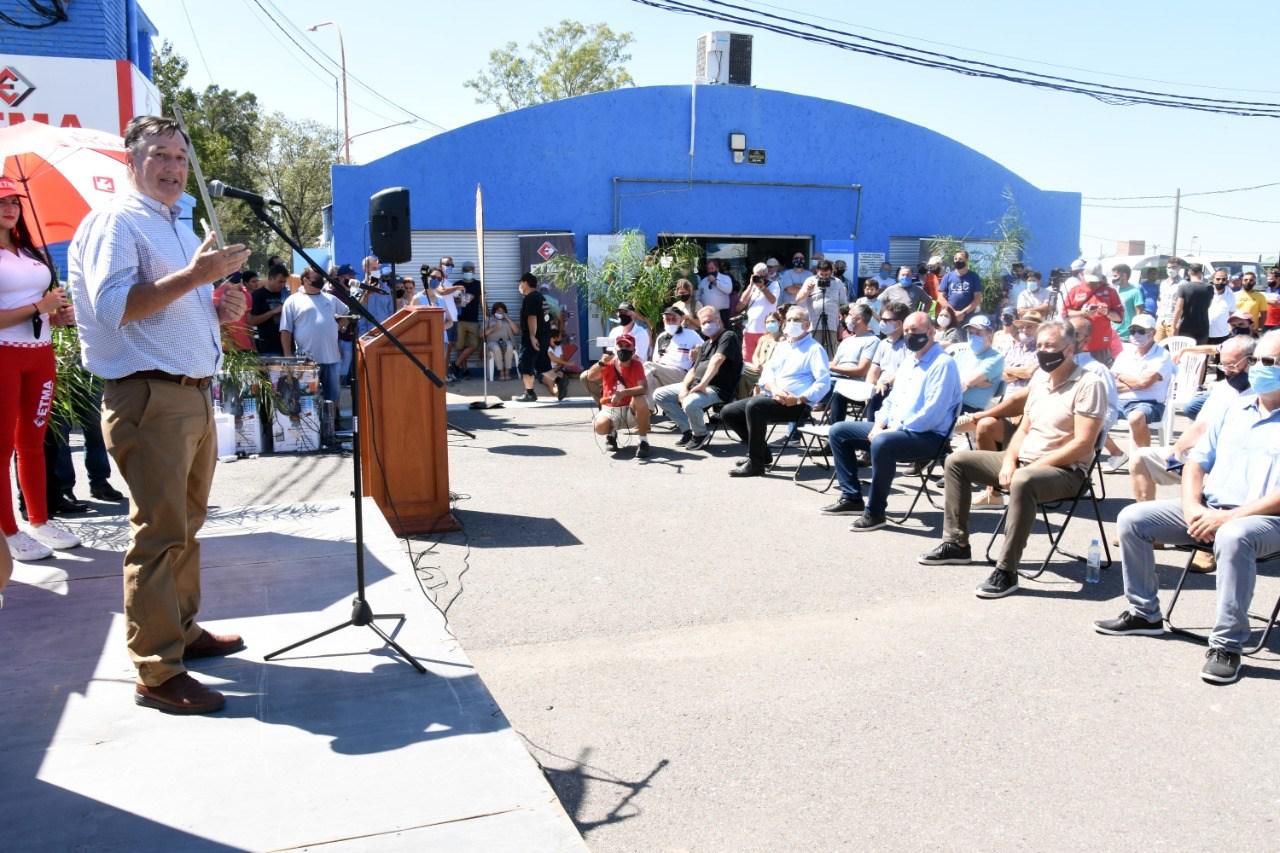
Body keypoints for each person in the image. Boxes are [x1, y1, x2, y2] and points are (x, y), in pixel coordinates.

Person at [67, 115, 251, 714]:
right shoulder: (115, 222)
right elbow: (117, 307)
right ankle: (155, 670)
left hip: (192, 393)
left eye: (178, 155)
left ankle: (182, 631)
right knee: (159, 533)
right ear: (132, 161)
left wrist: (219, 305)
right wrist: (198, 275)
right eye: (159, 156)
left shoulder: (177, 226)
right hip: (148, 396)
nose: (172, 167)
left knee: (186, 526)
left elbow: (180, 303)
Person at [1094, 330, 1280, 685]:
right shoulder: (1234, 409)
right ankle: (1144, 613)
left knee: (1234, 536)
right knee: (1134, 518)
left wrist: (1226, 517)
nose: (1257, 369)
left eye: (1268, 363)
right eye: (1255, 361)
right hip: (1210, 508)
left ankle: (1227, 644)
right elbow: (1196, 463)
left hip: (1265, 521)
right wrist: (1192, 505)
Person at [919, 320, 1107, 599]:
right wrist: (1008, 460)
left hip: (1066, 472)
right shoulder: (1041, 379)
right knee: (957, 462)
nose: (1043, 351)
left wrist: (1033, 466)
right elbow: (1024, 430)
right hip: (1024, 463)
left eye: (1050, 346)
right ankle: (956, 544)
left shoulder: (1089, 383)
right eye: (1040, 346)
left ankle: (1006, 570)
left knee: (1023, 479)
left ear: (1069, 349)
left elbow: (1083, 444)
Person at [0, 176, 82, 562]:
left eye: (14, 201)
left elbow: (46, 306)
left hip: (40, 353)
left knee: (32, 442)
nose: (9, 208)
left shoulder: (29, 252)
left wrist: (58, 314)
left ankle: (39, 519)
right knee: (2, 448)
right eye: (2, 202)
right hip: (4, 355)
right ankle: (8, 530)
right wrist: (39, 308)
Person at [823, 311, 962, 531]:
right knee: (839, 431)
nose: (909, 335)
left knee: (882, 443)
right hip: (897, 430)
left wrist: (890, 430)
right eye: (906, 331)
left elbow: (932, 413)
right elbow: (890, 402)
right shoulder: (909, 362)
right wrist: (879, 424)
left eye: (914, 330)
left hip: (928, 436)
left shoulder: (943, 364)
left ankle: (875, 512)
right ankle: (852, 497)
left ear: (931, 332)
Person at [1129, 334, 1254, 504]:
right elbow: (1200, 425)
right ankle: (1148, 517)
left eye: (1231, 365)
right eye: (1222, 365)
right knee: (1141, 458)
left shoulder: (1266, 393)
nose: (1226, 371)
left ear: (1251, 361)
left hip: (1231, 463)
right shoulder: (1222, 388)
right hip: (1196, 457)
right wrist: (1176, 451)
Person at [720, 305, 831, 477]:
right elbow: (767, 373)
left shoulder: (814, 349)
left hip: (795, 404)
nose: (792, 323)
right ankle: (762, 453)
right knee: (729, 412)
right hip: (773, 396)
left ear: (807, 324)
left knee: (755, 405)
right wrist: (774, 388)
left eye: (797, 320)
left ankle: (755, 463)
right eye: (789, 319)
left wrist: (801, 398)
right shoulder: (783, 346)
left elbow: (824, 382)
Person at [655, 306, 742, 449]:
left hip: (716, 389)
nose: (706, 325)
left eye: (709, 321)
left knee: (690, 402)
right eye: (703, 323)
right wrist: (684, 388)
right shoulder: (706, 344)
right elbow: (693, 370)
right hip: (696, 385)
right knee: (660, 395)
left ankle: (700, 434)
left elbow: (718, 359)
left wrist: (702, 384)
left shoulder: (728, 336)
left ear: (718, 321)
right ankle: (688, 430)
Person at [1107, 314, 1174, 464]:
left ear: (1153, 333)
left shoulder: (1162, 355)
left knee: (1136, 417)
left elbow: (1144, 383)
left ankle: (1145, 460)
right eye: (1133, 331)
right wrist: (1134, 382)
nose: (1136, 335)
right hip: (1120, 401)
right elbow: (1112, 381)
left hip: (1149, 403)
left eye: (1141, 331)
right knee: (1090, 414)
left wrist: (1123, 377)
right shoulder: (1125, 354)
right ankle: (1116, 453)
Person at [280, 266, 342, 405]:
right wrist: (288, 356)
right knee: (308, 399)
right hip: (307, 361)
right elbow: (285, 330)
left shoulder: (330, 298)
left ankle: (333, 423)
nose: (319, 279)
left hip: (332, 357)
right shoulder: (292, 300)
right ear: (305, 280)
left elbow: (347, 313)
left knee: (333, 396)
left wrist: (341, 325)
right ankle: (315, 425)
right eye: (316, 277)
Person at [583, 332, 650, 458]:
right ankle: (611, 434)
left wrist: (624, 393)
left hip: (630, 409)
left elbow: (644, 388)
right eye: (620, 346)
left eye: (627, 346)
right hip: (611, 408)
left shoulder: (636, 364)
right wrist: (600, 363)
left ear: (633, 350)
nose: (623, 349)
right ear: (615, 348)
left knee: (640, 399)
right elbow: (590, 377)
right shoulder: (607, 363)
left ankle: (643, 441)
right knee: (599, 427)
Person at [582, 300, 651, 404]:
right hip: (612, 367)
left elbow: (636, 358)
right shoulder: (614, 332)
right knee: (585, 377)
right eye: (620, 312)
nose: (621, 315)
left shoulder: (641, 333)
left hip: (632, 369)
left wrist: (615, 359)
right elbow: (609, 354)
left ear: (633, 314)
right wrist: (603, 362)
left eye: (625, 312)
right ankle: (604, 404)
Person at [827, 302, 879, 423]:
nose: (845, 318)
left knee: (837, 387)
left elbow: (861, 371)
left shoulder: (872, 341)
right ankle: (797, 424)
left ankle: (833, 430)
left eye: (850, 315)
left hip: (853, 383)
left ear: (859, 319)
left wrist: (833, 368)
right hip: (834, 379)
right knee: (803, 380)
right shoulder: (846, 341)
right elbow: (834, 364)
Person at [644, 305, 704, 404]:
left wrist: (698, 349)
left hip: (682, 375)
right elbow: (656, 360)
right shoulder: (661, 337)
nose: (671, 322)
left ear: (680, 320)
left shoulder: (691, 334)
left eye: (674, 319)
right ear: (664, 321)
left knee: (648, 366)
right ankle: (647, 411)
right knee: (652, 379)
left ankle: (638, 404)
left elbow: (705, 348)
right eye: (668, 319)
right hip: (662, 372)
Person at [1064, 266, 1123, 362]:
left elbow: (1119, 318)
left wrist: (1106, 312)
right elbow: (1065, 313)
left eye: (1095, 281)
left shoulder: (1110, 291)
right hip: (1077, 347)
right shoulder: (1075, 290)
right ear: (1083, 275)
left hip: (1100, 347)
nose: (1092, 283)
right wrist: (1082, 313)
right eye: (1089, 280)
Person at [952, 316, 1006, 414]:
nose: (973, 337)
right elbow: (948, 378)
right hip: (951, 403)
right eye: (970, 333)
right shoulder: (962, 353)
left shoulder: (996, 358)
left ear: (990, 335)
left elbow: (966, 382)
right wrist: (975, 383)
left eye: (978, 333)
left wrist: (969, 382)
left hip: (968, 410)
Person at [793, 259, 847, 355]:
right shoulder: (810, 281)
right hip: (813, 324)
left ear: (831, 272)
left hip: (832, 324)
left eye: (827, 275)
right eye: (822, 275)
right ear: (817, 271)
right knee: (813, 351)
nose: (825, 277)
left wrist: (842, 324)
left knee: (831, 352)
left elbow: (843, 304)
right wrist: (807, 291)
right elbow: (798, 300)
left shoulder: (838, 282)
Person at [516, 272, 553, 402]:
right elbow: (548, 318)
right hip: (543, 336)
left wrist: (532, 336)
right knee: (541, 364)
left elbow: (532, 317)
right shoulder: (541, 298)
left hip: (533, 338)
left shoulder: (530, 298)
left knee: (525, 364)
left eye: (520, 283)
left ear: (525, 283)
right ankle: (559, 380)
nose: (519, 286)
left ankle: (529, 393)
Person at [737, 307, 785, 400]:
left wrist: (766, 368)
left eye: (772, 321)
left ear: (779, 322)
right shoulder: (763, 338)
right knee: (741, 371)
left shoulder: (782, 340)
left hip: (772, 371)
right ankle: (742, 399)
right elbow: (755, 355)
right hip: (758, 368)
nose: (770, 324)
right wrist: (757, 364)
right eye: (767, 322)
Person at [736, 263, 779, 360]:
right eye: (756, 275)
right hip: (750, 330)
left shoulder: (774, 285)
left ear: (766, 275)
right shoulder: (753, 286)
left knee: (765, 360)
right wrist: (751, 285)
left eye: (761, 275)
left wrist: (763, 287)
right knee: (747, 360)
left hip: (766, 331)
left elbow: (772, 300)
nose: (758, 278)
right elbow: (742, 302)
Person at [451, 261, 483, 379]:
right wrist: (463, 300)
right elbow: (453, 302)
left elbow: (482, 301)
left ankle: (455, 364)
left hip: (473, 320)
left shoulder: (478, 284)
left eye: (470, 270)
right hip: (459, 320)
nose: (468, 272)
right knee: (460, 347)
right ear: (462, 271)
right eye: (465, 270)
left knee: (473, 345)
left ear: (474, 271)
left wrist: (487, 314)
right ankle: (464, 371)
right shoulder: (457, 284)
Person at [248, 263, 289, 355]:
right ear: (270, 279)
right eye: (280, 282)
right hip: (269, 348)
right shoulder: (258, 295)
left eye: (284, 282)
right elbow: (251, 321)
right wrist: (273, 312)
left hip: (288, 347)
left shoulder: (286, 294)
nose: (282, 285)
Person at [937, 250, 984, 324]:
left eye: (960, 259)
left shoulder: (974, 277)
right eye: (955, 259)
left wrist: (963, 313)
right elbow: (940, 298)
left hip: (968, 317)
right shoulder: (947, 276)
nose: (957, 261)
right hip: (950, 316)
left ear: (967, 260)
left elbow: (977, 299)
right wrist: (953, 312)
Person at [1171, 263, 1213, 344]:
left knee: (1185, 353)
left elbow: (1178, 309)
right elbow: (1209, 305)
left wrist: (1174, 327)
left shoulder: (1183, 287)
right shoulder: (1209, 288)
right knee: (1200, 354)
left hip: (1186, 327)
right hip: (1203, 327)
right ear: (1201, 273)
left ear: (1189, 272)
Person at [484, 301, 519, 380]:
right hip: (492, 342)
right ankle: (501, 372)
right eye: (498, 311)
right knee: (496, 347)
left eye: (502, 311)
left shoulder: (507, 320)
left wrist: (508, 319)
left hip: (505, 341)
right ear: (494, 311)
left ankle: (507, 371)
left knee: (509, 346)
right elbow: (482, 335)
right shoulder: (489, 320)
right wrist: (494, 328)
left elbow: (516, 331)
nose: (500, 313)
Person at [1204, 267, 1239, 344]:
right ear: (1213, 280)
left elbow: (1231, 313)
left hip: (1222, 335)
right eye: (1218, 279)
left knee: (1220, 356)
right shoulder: (1205, 292)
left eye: (1223, 279)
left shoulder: (1231, 295)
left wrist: (1231, 328)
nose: (1220, 281)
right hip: (1204, 333)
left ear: (1227, 281)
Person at [1154, 259, 1185, 341]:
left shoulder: (1183, 284)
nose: (1171, 269)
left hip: (1173, 322)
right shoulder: (1163, 283)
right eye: (1169, 267)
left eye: (1174, 267)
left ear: (1179, 268)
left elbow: (1184, 306)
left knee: (1173, 348)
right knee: (1157, 346)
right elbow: (1160, 300)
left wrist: (1177, 324)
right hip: (1161, 321)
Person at [698, 259, 733, 327]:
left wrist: (715, 282)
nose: (710, 270)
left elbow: (728, 290)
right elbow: (699, 295)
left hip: (722, 312)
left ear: (717, 268)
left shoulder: (725, 278)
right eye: (708, 269)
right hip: (708, 313)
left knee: (724, 332)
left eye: (712, 268)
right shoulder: (703, 281)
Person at [1111, 264, 1142, 342]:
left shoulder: (1135, 291)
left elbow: (1139, 312)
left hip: (1128, 336)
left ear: (1124, 275)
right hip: (1113, 334)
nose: (1113, 279)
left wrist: (1135, 331)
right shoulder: (1112, 291)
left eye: (1115, 276)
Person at [1264, 267, 1280, 332]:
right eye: (1267, 279)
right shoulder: (1267, 290)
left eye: (1270, 279)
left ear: (1278, 278)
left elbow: (1277, 304)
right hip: (1266, 323)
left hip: (1277, 324)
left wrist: (1264, 300)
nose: (1268, 281)